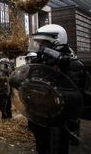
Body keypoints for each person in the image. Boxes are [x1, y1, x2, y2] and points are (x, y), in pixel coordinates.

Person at [28, 24, 90, 153]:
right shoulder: (38, 62)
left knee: (56, 148)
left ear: (56, 42)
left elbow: (74, 96)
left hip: (57, 121)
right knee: (42, 148)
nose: (40, 48)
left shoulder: (72, 65)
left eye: (43, 44)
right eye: (39, 44)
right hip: (40, 118)